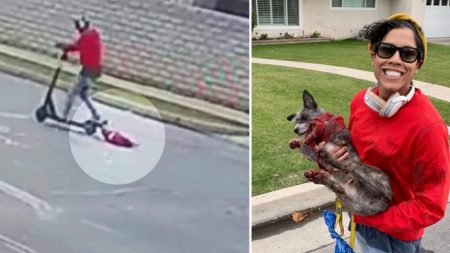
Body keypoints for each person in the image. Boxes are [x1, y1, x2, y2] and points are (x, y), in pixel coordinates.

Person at [326, 13, 450, 252]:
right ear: (374, 56)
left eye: (408, 53)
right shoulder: (359, 103)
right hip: (358, 219)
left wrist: (371, 218)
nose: (395, 59)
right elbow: (356, 160)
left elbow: (431, 205)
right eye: (387, 50)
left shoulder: (430, 128)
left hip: (398, 238)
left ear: (418, 65)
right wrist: (336, 162)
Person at [56, 16, 103, 122]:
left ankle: (64, 116)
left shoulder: (85, 37)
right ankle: (96, 114)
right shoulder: (93, 36)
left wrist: (65, 47)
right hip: (96, 70)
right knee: (84, 94)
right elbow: (81, 44)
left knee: (72, 92)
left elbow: (77, 46)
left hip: (87, 70)